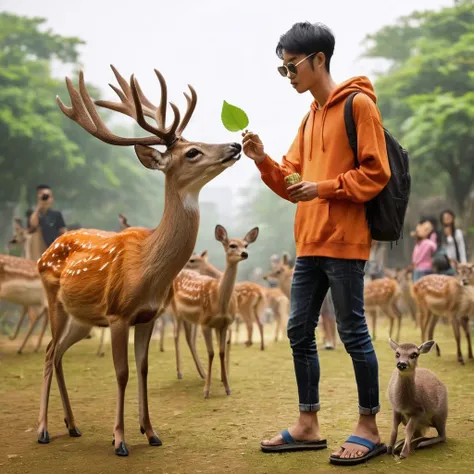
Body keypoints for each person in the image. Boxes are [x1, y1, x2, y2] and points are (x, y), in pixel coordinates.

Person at [242, 22, 390, 465]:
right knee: (297, 330)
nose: (288, 75)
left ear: (318, 60)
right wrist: (264, 160)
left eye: (292, 66)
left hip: (345, 241)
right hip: (308, 243)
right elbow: (292, 181)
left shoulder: (359, 106)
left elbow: (375, 173)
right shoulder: (309, 117)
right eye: (282, 68)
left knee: (352, 332)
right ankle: (308, 424)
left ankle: (369, 426)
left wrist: (321, 188)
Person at [27, 185, 67, 249]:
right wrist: (39, 206)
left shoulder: (56, 214)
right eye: (43, 196)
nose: (45, 198)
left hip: (53, 249)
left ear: (52, 199)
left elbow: (64, 232)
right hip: (38, 251)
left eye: (47, 196)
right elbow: (33, 224)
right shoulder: (33, 213)